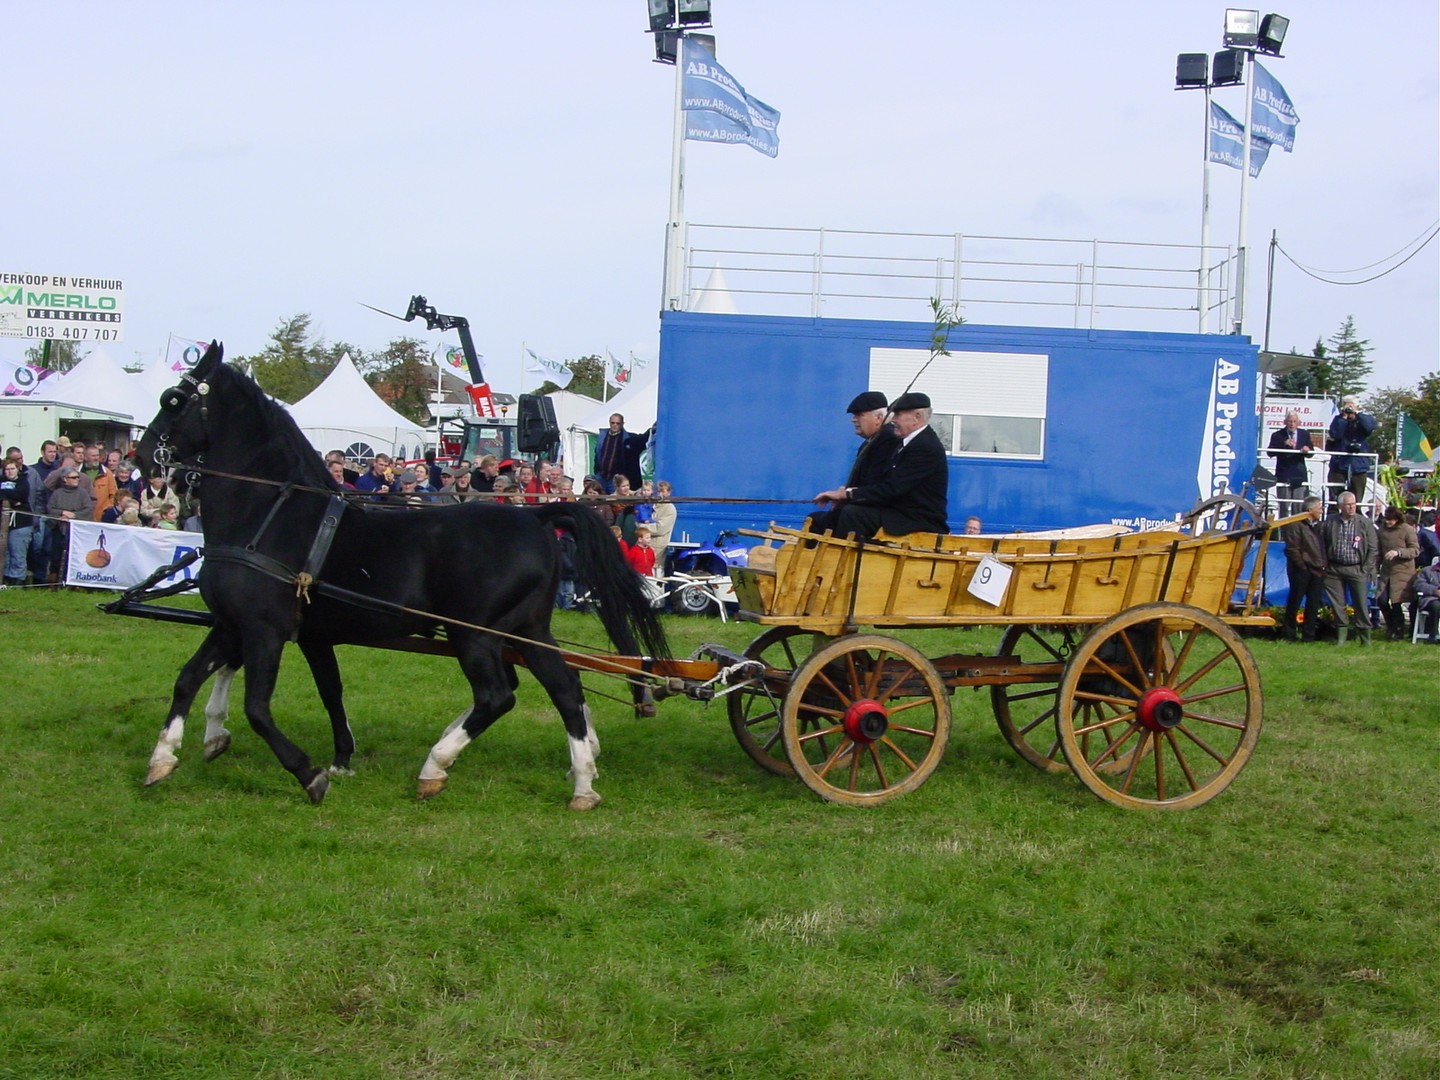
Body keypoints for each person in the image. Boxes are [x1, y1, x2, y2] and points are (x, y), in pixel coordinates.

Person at [812, 391, 949, 540]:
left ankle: (849, 562)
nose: (892, 420)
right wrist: (847, 495)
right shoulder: (905, 443)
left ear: (917, 417)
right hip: (899, 512)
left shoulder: (925, 446)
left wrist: (848, 494)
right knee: (824, 518)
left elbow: (894, 488)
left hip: (917, 518)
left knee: (853, 514)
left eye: (897, 415)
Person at [807, 391, 901, 537]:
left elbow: (876, 482)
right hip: (862, 502)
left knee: (844, 515)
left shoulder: (888, 440)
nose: (854, 420)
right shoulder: (871, 442)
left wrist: (846, 495)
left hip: (877, 512)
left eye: (859, 415)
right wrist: (842, 494)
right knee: (816, 520)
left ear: (879, 418)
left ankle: (838, 558)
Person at [1321, 491, 1378, 645]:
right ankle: (1341, 637)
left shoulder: (1364, 523)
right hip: (1334, 569)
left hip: (1357, 568)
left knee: (1360, 603)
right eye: (1348, 504)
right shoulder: (1330, 522)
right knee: (1337, 604)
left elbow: (1373, 548)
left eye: (1354, 504)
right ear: (1341, 506)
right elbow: (1322, 543)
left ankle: (1365, 638)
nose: (1352, 507)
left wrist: (1365, 568)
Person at [1280, 495, 1327, 642]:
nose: (1321, 510)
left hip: (1317, 570)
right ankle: (1289, 634)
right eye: (1319, 507)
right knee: (1295, 601)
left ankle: (1309, 635)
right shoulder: (1295, 525)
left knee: (1313, 604)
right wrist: (1303, 567)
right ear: (1310, 510)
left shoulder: (1319, 526)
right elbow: (1292, 549)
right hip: (1301, 570)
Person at [1374, 504, 1420, 640]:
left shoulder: (1407, 530)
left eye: (1391, 520)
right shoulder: (1381, 530)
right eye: (1387, 519)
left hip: (1403, 572)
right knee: (1381, 600)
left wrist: (1399, 552)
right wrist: (1375, 567)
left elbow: (1415, 550)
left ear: (1398, 519)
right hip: (1386, 572)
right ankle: (1391, 626)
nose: (1388, 522)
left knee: (1397, 602)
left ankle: (1398, 630)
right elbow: (1379, 551)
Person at [1326, 395, 1377, 502]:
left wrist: (1357, 414)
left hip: (1358, 466)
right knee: (1335, 499)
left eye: (1351, 406)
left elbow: (1369, 428)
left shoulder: (1363, 419)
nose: (1349, 409)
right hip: (1339, 465)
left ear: (1357, 407)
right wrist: (1343, 418)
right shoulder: (1338, 420)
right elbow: (1335, 434)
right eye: (1346, 405)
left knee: (1357, 500)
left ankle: (1356, 517)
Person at [48, 466, 96, 580]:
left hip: (76, 531)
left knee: (74, 557)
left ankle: (73, 582)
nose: (77, 479)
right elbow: (50, 508)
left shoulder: (83, 493)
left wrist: (74, 515)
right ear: (65, 479)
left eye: (78, 477)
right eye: (73, 477)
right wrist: (62, 513)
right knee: (56, 557)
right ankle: (53, 583)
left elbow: (88, 509)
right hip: (59, 529)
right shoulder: (57, 493)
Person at [26, 440, 62, 584]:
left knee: (48, 549)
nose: (53, 454)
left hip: (54, 515)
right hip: (39, 514)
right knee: (37, 547)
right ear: (42, 452)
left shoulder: (59, 470)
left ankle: (41, 578)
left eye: (54, 451)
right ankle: (33, 574)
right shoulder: (33, 470)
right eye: (50, 451)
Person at [1267, 410, 1315, 516]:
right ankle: (1283, 531)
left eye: (1294, 421)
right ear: (1285, 422)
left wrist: (1307, 449)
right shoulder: (1277, 435)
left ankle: (1296, 531)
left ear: (1299, 422)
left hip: (1299, 475)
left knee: (1298, 507)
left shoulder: (1304, 434)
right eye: (1290, 421)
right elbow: (1269, 452)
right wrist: (1283, 444)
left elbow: (1311, 453)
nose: (1292, 424)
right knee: (1284, 507)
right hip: (1284, 475)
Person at [593, 413, 650, 493]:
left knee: (615, 502)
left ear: (622, 424)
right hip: (601, 476)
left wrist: (651, 431)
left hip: (617, 479)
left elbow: (642, 439)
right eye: (613, 423)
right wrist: (597, 472)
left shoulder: (629, 439)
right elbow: (597, 455)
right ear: (609, 423)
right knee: (598, 501)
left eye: (618, 423)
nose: (615, 425)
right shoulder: (602, 437)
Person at [2, 458, 32, 586]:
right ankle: (6, 579)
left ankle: (17, 582)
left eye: (12, 469)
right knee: (6, 553)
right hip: (4, 525)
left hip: (21, 524)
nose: (9, 472)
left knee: (17, 553)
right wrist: (12, 499)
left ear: (17, 469)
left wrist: (9, 497)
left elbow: (21, 494)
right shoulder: (1, 480)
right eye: (7, 469)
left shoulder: (23, 482)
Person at [1405, 560, 1440, 643]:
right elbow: (1418, 585)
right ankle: (1433, 635)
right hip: (1431, 599)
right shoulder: (1427, 571)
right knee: (1436, 606)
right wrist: (1435, 591)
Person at [649, 479, 676, 563]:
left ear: (669, 492)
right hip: (645, 545)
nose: (660, 494)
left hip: (658, 548)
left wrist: (642, 527)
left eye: (663, 491)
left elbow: (659, 529)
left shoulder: (670, 508)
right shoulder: (651, 505)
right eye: (658, 491)